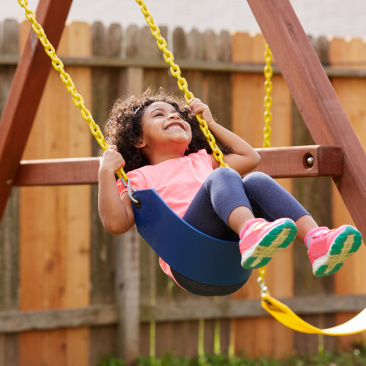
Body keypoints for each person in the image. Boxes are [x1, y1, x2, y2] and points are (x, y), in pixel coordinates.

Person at [98, 89, 362, 296]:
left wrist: (211, 124)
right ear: (138, 140)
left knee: (255, 179)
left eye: (178, 114)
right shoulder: (137, 178)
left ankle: (317, 241)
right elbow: (116, 223)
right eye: (159, 114)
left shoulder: (201, 159)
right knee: (223, 174)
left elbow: (251, 157)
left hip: (229, 261)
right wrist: (104, 173)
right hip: (188, 258)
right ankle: (251, 232)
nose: (174, 116)